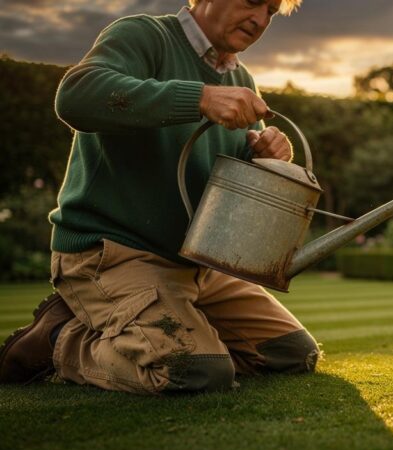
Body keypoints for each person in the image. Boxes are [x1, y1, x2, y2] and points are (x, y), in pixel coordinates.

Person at [0, 0, 320, 394]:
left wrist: (264, 157)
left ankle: (165, 327)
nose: (259, 19)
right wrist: (199, 97)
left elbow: (222, 181)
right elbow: (76, 96)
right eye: (252, 1)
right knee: (195, 372)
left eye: (272, 10)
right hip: (112, 253)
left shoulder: (242, 80)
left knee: (293, 354)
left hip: (196, 263)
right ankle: (60, 339)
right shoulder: (144, 36)